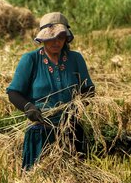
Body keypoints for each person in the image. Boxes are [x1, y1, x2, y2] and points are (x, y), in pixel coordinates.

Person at [6, 12, 95, 170]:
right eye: (51, 38)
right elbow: (14, 93)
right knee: (39, 180)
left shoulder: (75, 59)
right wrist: (28, 108)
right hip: (41, 131)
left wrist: (77, 107)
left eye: (60, 37)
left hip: (71, 131)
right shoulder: (30, 60)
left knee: (74, 179)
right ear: (42, 38)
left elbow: (88, 89)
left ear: (66, 38)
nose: (56, 42)